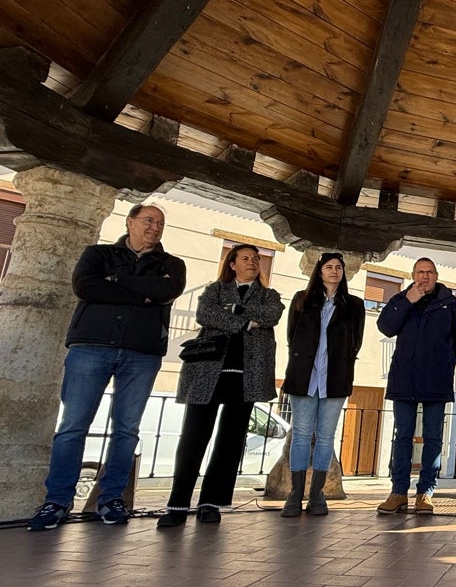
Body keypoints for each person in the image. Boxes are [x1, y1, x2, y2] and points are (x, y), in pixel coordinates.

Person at [28, 205, 186, 531]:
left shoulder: (171, 264)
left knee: (126, 430)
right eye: (148, 221)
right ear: (130, 222)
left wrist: (117, 283)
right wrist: (143, 294)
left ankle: (112, 498)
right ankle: (56, 501)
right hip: (91, 347)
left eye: (160, 223)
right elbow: (86, 287)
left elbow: (166, 290)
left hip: (141, 353)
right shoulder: (97, 254)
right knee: (73, 426)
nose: (154, 227)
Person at [156, 245, 283, 528]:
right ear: (233, 263)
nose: (252, 262)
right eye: (246, 258)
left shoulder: (269, 295)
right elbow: (205, 315)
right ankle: (177, 504)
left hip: (247, 376)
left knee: (230, 441)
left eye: (256, 258)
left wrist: (236, 311)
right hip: (207, 373)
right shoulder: (214, 290)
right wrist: (247, 321)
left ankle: (211, 503)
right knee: (193, 438)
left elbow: (271, 316)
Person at [376, 257, 456, 515]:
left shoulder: (452, 305)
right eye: (420, 272)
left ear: (436, 275)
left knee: (433, 438)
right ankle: (398, 492)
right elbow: (386, 327)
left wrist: (446, 362)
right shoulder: (401, 300)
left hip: (436, 381)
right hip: (404, 379)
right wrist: (408, 302)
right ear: (413, 275)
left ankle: (425, 493)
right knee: (403, 437)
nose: (424, 277)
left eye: (429, 272)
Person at [279, 252, 366, 517]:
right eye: (329, 267)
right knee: (302, 435)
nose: (334, 271)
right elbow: (292, 336)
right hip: (304, 376)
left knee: (327, 437)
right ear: (319, 271)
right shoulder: (302, 300)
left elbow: (357, 341)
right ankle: (295, 494)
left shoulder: (354, 305)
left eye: (339, 267)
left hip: (335, 377)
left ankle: (317, 494)